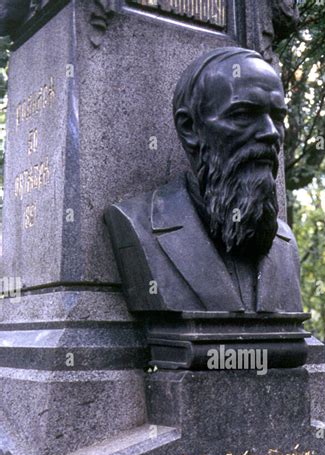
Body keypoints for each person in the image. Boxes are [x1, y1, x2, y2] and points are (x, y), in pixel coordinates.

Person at [105, 47, 304, 314]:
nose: (270, 133)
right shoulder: (136, 224)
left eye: (278, 117)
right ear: (190, 129)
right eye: (243, 114)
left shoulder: (285, 242)